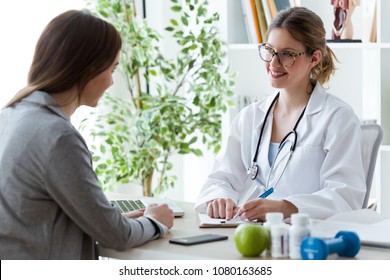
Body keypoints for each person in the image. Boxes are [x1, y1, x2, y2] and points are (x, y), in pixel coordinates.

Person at [0, 10, 174, 260]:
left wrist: (104, 219)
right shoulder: (57, 137)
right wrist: (156, 222)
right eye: (112, 69)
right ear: (89, 67)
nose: (112, 82)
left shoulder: (12, 113)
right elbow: (117, 237)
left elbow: (39, 213)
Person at [195, 7, 365, 222]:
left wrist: (286, 207)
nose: (273, 63)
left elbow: (345, 197)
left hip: (308, 238)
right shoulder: (250, 117)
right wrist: (220, 198)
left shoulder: (337, 118)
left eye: (287, 54)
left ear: (314, 58)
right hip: (250, 236)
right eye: (270, 50)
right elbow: (220, 178)